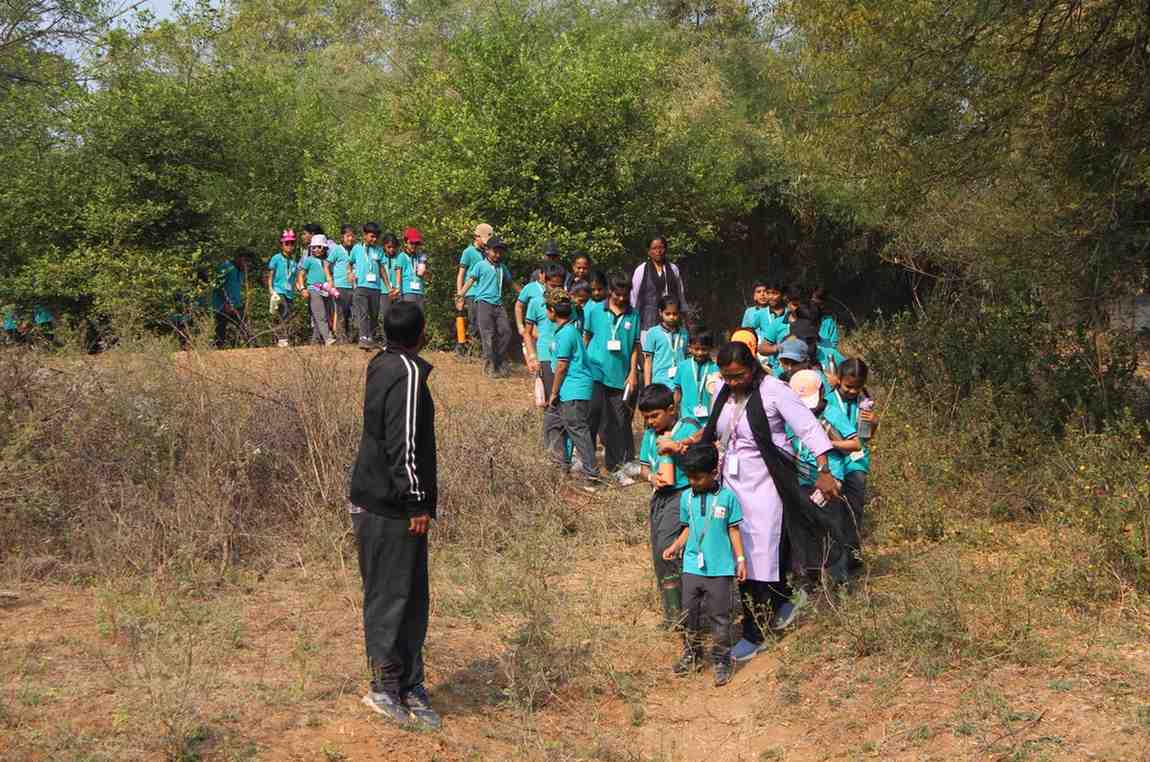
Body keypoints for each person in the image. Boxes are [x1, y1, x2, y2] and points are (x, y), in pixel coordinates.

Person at [660, 342, 842, 662]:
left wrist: (824, 469)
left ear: (753, 368)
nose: (733, 383)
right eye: (727, 377)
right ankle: (775, 604)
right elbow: (713, 431)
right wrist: (688, 444)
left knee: (761, 550)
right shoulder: (723, 392)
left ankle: (756, 630)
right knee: (737, 551)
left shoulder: (775, 391)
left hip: (767, 482)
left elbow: (808, 427)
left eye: (739, 376)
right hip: (732, 481)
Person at [348, 301, 441, 730]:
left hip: (383, 503)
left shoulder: (382, 363)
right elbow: (401, 443)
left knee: (408, 596)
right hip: (390, 508)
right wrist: (416, 501)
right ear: (421, 333)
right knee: (391, 597)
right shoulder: (405, 373)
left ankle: (409, 684)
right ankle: (386, 686)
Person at [661, 443, 746, 686]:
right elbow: (688, 529)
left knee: (720, 616)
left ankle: (721, 659)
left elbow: (734, 530)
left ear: (713, 472)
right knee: (690, 614)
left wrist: (740, 560)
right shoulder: (686, 497)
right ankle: (692, 654)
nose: (694, 482)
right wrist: (675, 547)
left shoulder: (728, 498)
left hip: (720, 569)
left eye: (698, 477)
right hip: (691, 568)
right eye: (689, 477)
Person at [637, 383, 702, 629]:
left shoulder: (686, 425)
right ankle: (672, 611)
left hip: (681, 495)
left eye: (655, 416)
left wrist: (678, 445)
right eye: (646, 418)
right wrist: (652, 478)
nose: (651, 422)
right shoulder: (649, 435)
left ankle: (684, 615)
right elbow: (644, 467)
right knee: (658, 552)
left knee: (668, 549)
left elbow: (703, 436)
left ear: (671, 409)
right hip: (660, 497)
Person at [786, 369, 859, 583]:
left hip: (829, 480)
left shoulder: (832, 413)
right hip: (800, 480)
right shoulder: (790, 416)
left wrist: (828, 442)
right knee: (805, 530)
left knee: (831, 527)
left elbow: (854, 443)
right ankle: (809, 579)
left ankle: (839, 579)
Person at [584, 272, 641, 485]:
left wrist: (633, 373)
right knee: (594, 414)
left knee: (618, 421)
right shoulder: (595, 310)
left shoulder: (634, 315)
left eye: (625, 295)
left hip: (620, 376)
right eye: (617, 294)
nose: (621, 299)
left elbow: (635, 346)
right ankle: (586, 459)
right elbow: (586, 338)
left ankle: (615, 466)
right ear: (610, 291)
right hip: (596, 371)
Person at [544, 289, 600, 488]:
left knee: (577, 430)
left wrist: (553, 393)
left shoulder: (567, 333)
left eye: (547, 308)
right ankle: (559, 467)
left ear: (552, 311)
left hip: (573, 390)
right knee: (552, 423)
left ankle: (592, 474)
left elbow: (562, 367)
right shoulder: (568, 327)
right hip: (568, 391)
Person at [831, 358, 876, 563]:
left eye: (857, 387)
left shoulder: (865, 403)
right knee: (836, 508)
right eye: (848, 386)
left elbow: (866, 437)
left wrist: (873, 424)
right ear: (838, 379)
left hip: (857, 461)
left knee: (854, 507)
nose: (852, 391)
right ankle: (835, 555)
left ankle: (853, 554)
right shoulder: (829, 399)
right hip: (834, 459)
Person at [458, 236, 516, 377]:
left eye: (500, 252)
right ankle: (490, 366)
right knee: (487, 335)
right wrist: (460, 295)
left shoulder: (502, 267)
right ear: (487, 251)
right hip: (483, 303)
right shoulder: (480, 265)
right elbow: (470, 280)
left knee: (506, 332)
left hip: (498, 304)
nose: (498, 254)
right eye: (495, 251)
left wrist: (524, 294)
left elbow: (511, 283)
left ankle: (498, 361)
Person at [524, 277, 566, 447]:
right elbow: (528, 332)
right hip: (546, 359)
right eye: (552, 285)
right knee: (550, 403)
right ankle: (554, 448)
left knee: (564, 403)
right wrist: (532, 357)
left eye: (559, 285)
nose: (555, 289)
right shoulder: (535, 303)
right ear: (544, 282)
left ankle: (565, 448)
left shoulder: (566, 304)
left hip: (564, 358)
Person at [631, 236, 685, 333]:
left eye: (661, 248)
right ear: (649, 251)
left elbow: (680, 294)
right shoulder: (641, 270)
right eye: (654, 248)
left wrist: (685, 317)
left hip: (671, 319)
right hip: (647, 321)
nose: (658, 251)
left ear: (666, 249)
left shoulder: (673, 269)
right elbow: (634, 297)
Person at [674, 329, 720, 425]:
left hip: (708, 420)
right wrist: (674, 409)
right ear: (690, 348)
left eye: (704, 349)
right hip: (686, 418)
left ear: (710, 348)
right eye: (696, 349)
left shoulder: (716, 368)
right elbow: (678, 391)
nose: (700, 353)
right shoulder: (682, 366)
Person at [297, 234, 337, 346]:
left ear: (324, 248)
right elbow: (301, 275)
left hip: (325, 289)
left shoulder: (327, 262)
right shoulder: (308, 260)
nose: (316, 249)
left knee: (318, 317)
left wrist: (331, 288)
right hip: (313, 288)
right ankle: (328, 338)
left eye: (319, 247)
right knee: (321, 315)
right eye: (314, 247)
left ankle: (314, 342)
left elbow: (329, 276)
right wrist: (302, 289)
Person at [457, 223, 493, 345]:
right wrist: (460, 294)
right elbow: (461, 274)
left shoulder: (487, 252)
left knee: (485, 322)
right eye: (484, 240)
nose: (486, 243)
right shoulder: (468, 252)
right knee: (474, 321)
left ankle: (482, 348)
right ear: (476, 237)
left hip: (484, 293)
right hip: (471, 292)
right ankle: (469, 347)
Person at [642, 297, 689, 386]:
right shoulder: (653, 332)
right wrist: (647, 385)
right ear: (660, 312)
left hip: (680, 382)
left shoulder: (684, 333)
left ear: (679, 313)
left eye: (675, 314)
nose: (671, 317)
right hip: (659, 382)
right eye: (667, 314)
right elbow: (648, 361)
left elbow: (686, 357)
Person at [352, 223, 385, 349]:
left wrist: (388, 285)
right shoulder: (356, 248)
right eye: (371, 236)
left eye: (376, 237)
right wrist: (350, 273)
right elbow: (350, 262)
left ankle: (371, 338)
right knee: (363, 312)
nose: (374, 239)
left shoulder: (379, 250)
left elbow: (382, 268)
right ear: (364, 235)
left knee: (374, 314)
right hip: (361, 286)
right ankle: (363, 337)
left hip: (376, 287)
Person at [211, 250, 251, 348]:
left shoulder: (241, 271)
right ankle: (218, 351)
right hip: (222, 305)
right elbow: (218, 286)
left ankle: (247, 348)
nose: (246, 263)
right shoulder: (226, 267)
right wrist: (226, 302)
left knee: (243, 326)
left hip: (236, 304)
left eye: (247, 261)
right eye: (244, 260)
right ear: (238, 258)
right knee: (220, 330)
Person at [266, 229, 298, 347]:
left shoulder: (294, 261)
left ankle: (282, 338)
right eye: (287, 243)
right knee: (282, 313)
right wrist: (271, 289)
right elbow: (271, 275)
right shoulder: (276, 258)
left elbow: (294, 278)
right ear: (282, 244)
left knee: (288, 314)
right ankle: (282, 338)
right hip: (278, 290)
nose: (289, 246)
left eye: (292, 243)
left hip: (290, 292)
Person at [330, 225, 358, 342]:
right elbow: (327, 264)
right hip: (341, 285)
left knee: (353, 313)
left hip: (354, 286)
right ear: (342, 237)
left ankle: (352, 337)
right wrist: (330, 279)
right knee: (341, 312)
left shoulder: (357, 249)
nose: (350, 239)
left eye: (352, 236)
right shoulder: (336, 249)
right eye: (347, 236)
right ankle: (341, 339)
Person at [380, 233, 410, 328]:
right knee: (386, 316)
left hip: (397, 292)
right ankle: (386, 340)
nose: (391, 249)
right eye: (389, 247)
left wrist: (397, 288)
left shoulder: (400, 257)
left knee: (398, 317)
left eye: (394, 247)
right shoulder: (381, 257)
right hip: (384, 291)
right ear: (384, 246)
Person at [401, 228, 428, 308]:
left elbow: (426, 276)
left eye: (417, 243)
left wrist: (425, 272)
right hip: (407, 291)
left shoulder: (421, 257)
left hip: (419, 291)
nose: (414, 245)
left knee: (419, 316)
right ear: (406, 242)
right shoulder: (402, 256)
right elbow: (398, 274)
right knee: (409, 316)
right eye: (411, 243)